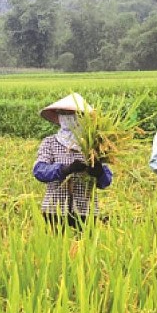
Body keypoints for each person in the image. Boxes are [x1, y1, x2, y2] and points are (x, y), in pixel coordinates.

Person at [32, 93, 113, 229]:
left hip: (85, 211)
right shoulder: (50, 142)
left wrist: (98, 173)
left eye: (71, 113)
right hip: (55, 210)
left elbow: (106, 181)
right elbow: (39, 171)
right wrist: (65, 169)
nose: (66, 117)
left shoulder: (93, 144)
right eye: (62, 113)